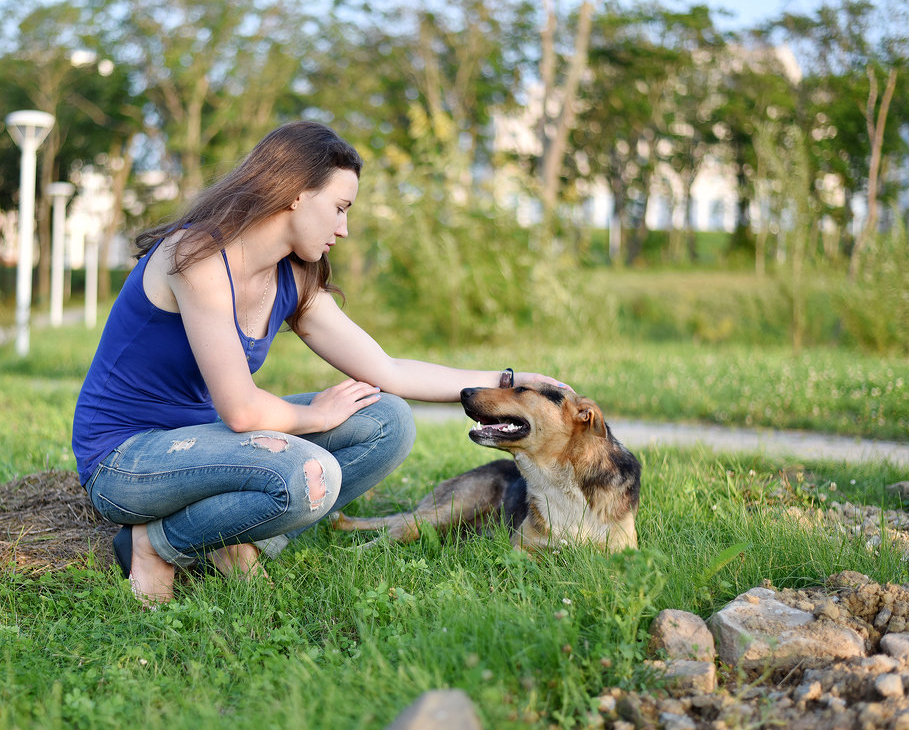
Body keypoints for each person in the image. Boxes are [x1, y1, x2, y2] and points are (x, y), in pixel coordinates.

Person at [72, 120, 570, 604]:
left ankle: (227, 539)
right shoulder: (197, 256)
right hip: (128, 460)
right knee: (308, 474)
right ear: (295, 193)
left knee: (388, 421)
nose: (344, 228)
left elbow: (387, 370)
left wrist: (508, 379)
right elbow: (242, 412)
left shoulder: (292, 276)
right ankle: (157, 544)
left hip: (211, 448)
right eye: (339, 208)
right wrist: (315, 417)